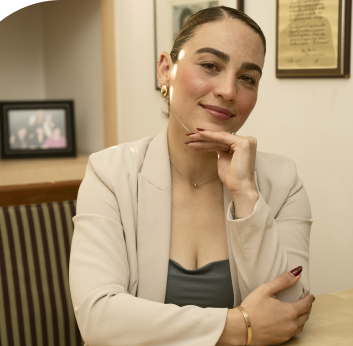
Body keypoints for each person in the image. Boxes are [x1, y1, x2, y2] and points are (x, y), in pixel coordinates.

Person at [70, 6, 313, 346]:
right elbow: (99, 320)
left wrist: (245, 194)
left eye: (247, 78)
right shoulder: (109, 174)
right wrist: (239, 325)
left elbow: (286, 314)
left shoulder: (282, 181)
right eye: (210, 65)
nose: (229, 90)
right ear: (165, 70)